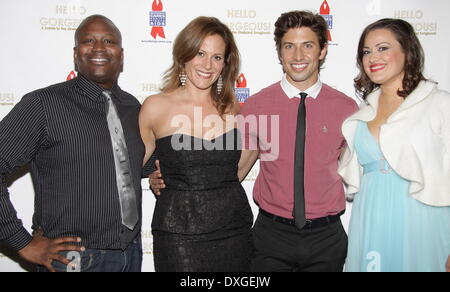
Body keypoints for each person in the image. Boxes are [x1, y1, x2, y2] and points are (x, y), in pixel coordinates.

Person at [151, 11, 358, 272]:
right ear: (279, 53)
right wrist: (167, 176)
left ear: (323, 51)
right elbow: (231, 171)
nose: (298, 56)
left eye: (307, 45)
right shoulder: (254, 107)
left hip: (327, 237)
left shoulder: (347, 109)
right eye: (289, 46)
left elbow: (360, 169)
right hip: (271, 238)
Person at [0, 15, 145, 272]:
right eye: (88, 41)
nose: (99, 47)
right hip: (72, 260)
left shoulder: (134, 108)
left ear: (121, 55)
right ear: (76, 54)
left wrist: (155, 172)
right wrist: (21, 242)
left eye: (108, 41)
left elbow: (126, 164)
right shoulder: (43, 105)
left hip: (131, 255)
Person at [139, 16, 253, 272]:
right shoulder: (156, 106)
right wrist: (154, 175)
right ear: (184, 55)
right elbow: (130, 166)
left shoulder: (236, 110)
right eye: (200, 53)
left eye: (216, 57)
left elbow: (235, 173)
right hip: (178, 234)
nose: (207, 65)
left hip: (234, 231)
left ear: (225, 64)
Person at [339, 18, 450, 272]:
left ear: (407, 51)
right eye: (366, 52)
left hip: (424, 220)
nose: (372, 57)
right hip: (371, 218)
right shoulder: (362, 114)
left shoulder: (440, 104)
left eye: (383, 48)